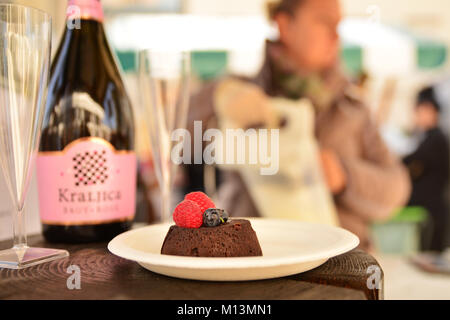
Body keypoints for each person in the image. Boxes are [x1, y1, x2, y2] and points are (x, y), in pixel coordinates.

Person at [186, 0, 411, 250]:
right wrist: (219, 96)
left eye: (338, 25)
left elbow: (396, 188)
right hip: (255, 261)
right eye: (325, 22)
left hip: (341, 265)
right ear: (285, 25)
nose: (336, 35)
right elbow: (180, 135)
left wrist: (344, 176)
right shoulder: (244, 93)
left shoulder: (352, 108)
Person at [404, 87, 450, 253]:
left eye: (420, 111)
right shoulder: (431, 137)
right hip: (433, 205)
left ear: (431, 111)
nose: (417, 116)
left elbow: (410, 160)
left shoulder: (436, 138)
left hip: (433, 207)